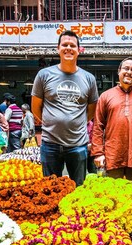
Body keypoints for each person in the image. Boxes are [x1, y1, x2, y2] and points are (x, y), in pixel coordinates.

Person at [32, 30, 98, 186]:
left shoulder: (89, 78)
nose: (68, 48)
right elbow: (36, 108)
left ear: (79, 50)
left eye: (72, 45)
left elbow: (91, 110)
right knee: (50, 188)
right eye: (65, 45)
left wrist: (74, 123)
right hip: (50, 144)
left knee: (78, 188)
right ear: (58, 48)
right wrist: (53, 122)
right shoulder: (44, 75)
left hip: (78, 144)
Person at [91, 57, 132, 204]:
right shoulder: (106, 96)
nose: (129, 72)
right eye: (126, 68)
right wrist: (98, 153)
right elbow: (98, 126)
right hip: (113, 156)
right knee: (112, 200)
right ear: (119, 72)